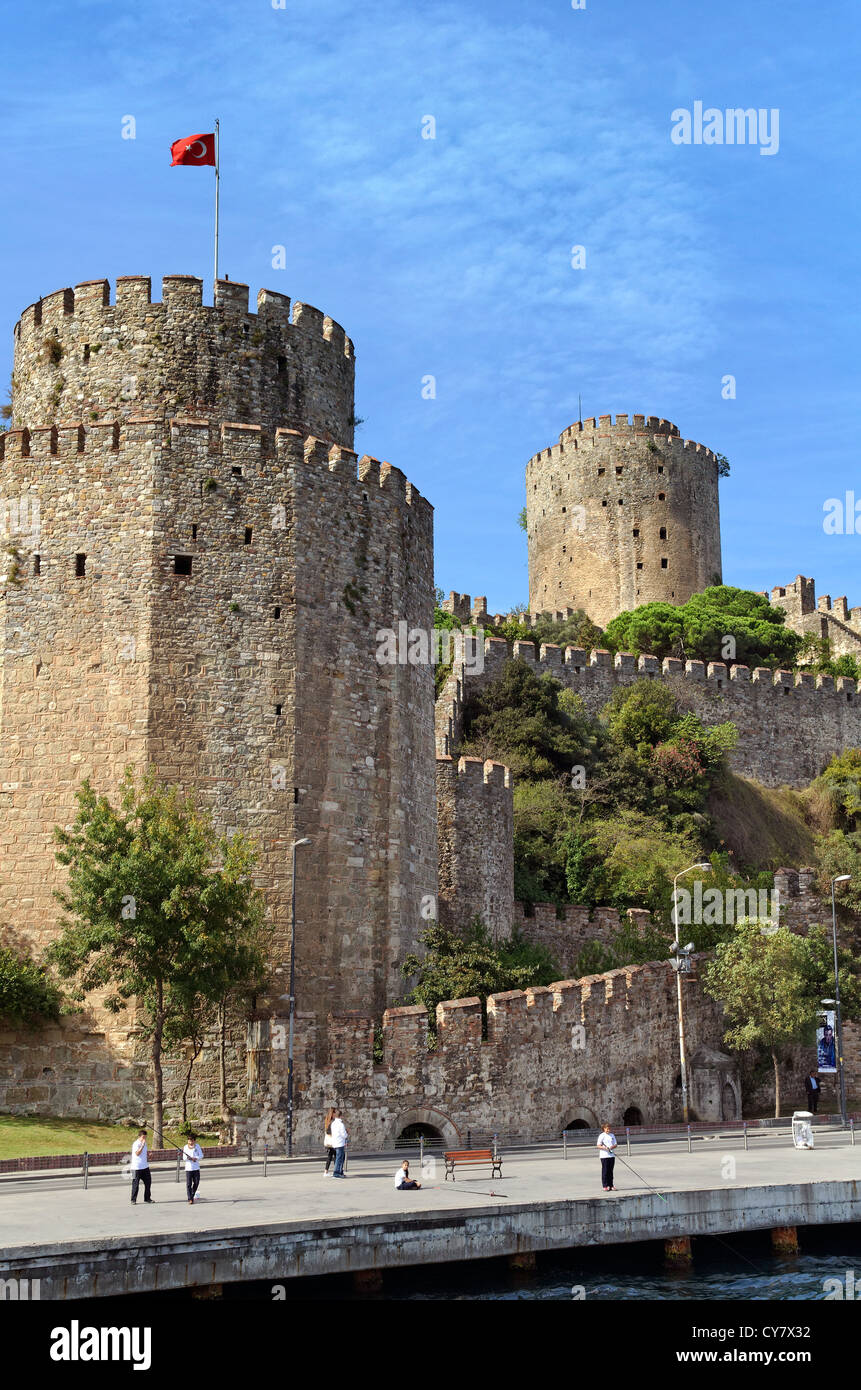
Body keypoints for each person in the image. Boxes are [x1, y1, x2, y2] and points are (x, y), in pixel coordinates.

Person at [130, 1128, 154, 1204]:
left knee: (148, 1183)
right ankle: (133, 1200)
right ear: (139, 1136)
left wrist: (149, 1156)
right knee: (135, 1184)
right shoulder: (136, 1144)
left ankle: (147, 1198)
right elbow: (137, 1153)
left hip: (145, 1167)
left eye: (145, 1137)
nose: (144, 1139)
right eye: (143, 1137)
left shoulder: (145, 1144)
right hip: (136, 1168)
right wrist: (142, 1145)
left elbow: (144, 1153)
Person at [183, 1133, 203, 1204]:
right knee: (189, 1184)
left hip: (196, 1168)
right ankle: (190, 1199)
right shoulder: (185, 1147)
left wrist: (195, 1158)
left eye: (191, 1141)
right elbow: (184, 1158)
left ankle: (192, 1194)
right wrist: (189, 1158)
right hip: (188, 1169)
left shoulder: (197, 1146)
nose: (190, 1142)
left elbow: (201, 1155)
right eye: (189, 1141)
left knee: (196, 1183)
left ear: (194, 1141)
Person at [597, 1123, 617, 1192]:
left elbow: (615, 1144)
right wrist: (605, 1148)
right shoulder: (601, 1136)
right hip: (604, 1156)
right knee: (605, 1171)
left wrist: (611, 1147)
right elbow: (598, 1145)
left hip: (611, 1155)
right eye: (606, 1128)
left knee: (610, 1171)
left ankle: (611, 1185)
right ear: (604, 1129)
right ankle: (605, 1185)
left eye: (609, 1128)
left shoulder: (612, 1135)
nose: (608, 1130)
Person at [329, 1108, 348, 1177]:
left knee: (340, 1158)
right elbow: (344, 1135)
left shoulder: (333, 1123)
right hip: (340, 1143)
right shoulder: (341, 1124)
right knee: (339, 1159)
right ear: (341, 1116)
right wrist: (347, 1133)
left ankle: (340, 1171)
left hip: (335, 1142)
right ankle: (336, 1173)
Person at [323, 1106, 336, 1176]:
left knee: (330, 1156)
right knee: (336, 1156)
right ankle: (336, 1171)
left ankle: (326, 1171)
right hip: (333, 1141)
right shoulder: (332, 1121)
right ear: (333, 1113)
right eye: (335, 1112)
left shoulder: (327, 1119)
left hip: (329, 1142)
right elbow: (330, 1132)